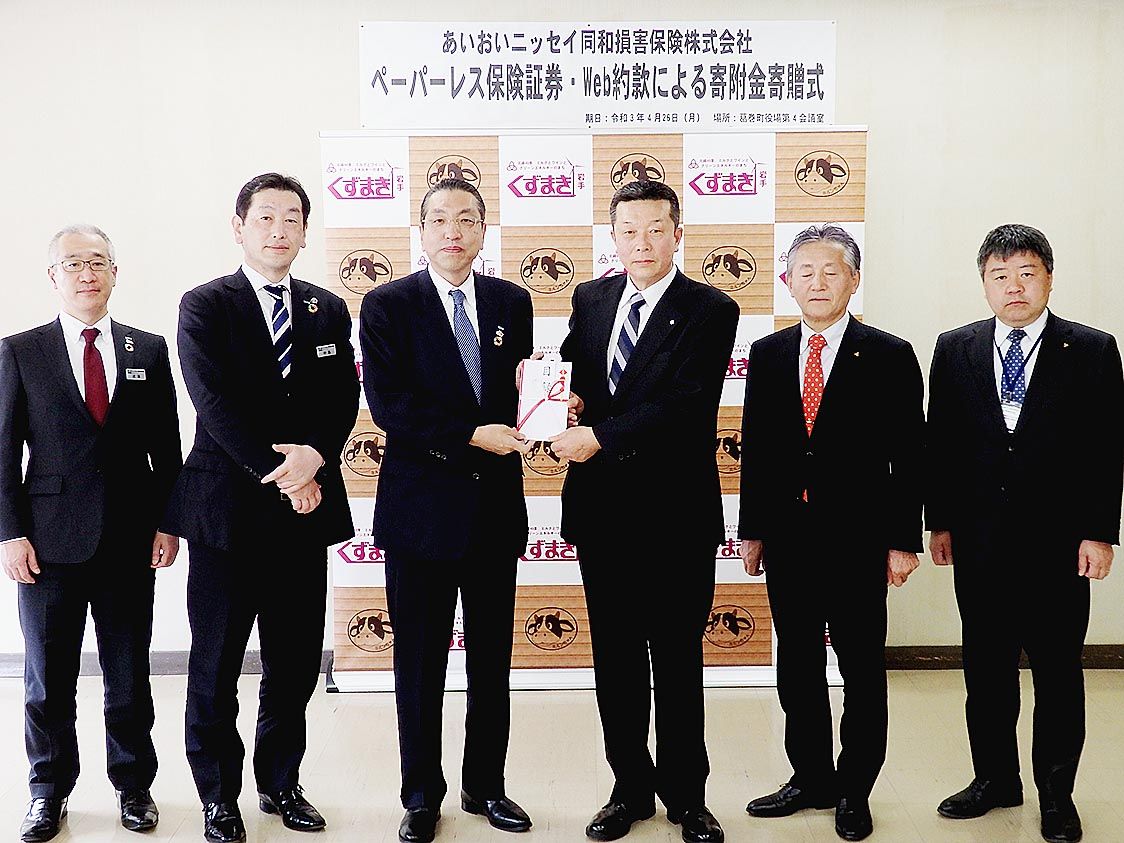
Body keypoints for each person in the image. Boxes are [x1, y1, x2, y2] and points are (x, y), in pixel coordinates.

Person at [163, 173, 358, 843]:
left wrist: (315, 457)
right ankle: (219, 795)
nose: (279, 229)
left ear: (305, 232)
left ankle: (281, 782)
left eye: (292, 218)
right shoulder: (205, 305)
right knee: (216, 666)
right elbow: (214, 404)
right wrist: (286, 474)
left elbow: (342, 398)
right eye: (265, 217)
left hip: (303, 517)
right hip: (228, 514)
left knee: (295, 664)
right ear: (239, 227)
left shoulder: (327, 309)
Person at [550, 180, 737, 843]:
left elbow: (686, 404)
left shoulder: (711, 308)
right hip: (602, 514)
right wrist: (564, 397)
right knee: (617, 660)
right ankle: (628, 789)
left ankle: (687, 797)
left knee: (678, 661)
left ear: (677, 233)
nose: (642, 243)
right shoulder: (592, 298)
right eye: (629, 231)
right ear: (613, 237)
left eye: (656, 229)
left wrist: (598, 435)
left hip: (675, 515)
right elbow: (576, 370)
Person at [926, 223, 1124, 843]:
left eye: (1026, 274)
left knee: (1058, 673)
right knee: (985, 671)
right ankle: (994, 779)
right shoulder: (954, 348)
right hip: (979, 542)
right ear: (984, 283)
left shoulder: (1091, 349)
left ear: (1049, 279)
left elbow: (1107, 449)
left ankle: (1057, 795)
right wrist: (940, 522)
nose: (1014, 286)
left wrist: (1098, 533)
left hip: (1059, 546)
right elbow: (941, 443)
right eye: (1000, 275)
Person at [359, 177, 534, 843]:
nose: (452, 230)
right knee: (419, 664)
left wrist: (546, 404)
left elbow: (517, 393)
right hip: (420, 515)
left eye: (466, 219)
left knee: (491, 662)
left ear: (484, 230)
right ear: (422, 231)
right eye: (438, 219)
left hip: (494, 510)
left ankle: (486, 784)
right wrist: (471, 435)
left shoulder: (510, 300)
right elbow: (390, 405)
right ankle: (420, 795)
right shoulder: (388, 304)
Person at [738, 225, 924, 842]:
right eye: (805, 272)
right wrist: (753, 530)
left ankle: (855, 788)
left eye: (831, 271)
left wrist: (903, 541)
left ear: (854, 279)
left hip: (859, 540)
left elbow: (910, 456)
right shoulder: (768, 353)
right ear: (787, 282)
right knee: (796, 666)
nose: (817, 283)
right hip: (789, 538)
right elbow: (757, 448)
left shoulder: (890, 354)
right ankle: (811, 777)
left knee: (862, 669)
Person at [0, 225, 182, 842]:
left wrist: (168, 523)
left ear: (114, 273)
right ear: (53, 276)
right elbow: (4, 454)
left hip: (130, 540)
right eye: (74, 264)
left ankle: (134, 785)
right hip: (47, 544)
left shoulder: (147, 349)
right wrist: (10, 534)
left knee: (128, 673)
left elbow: (166, 450)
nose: (87, 274)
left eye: (98, 262)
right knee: (47, 679)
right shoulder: (21, 351)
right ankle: (47, 791)